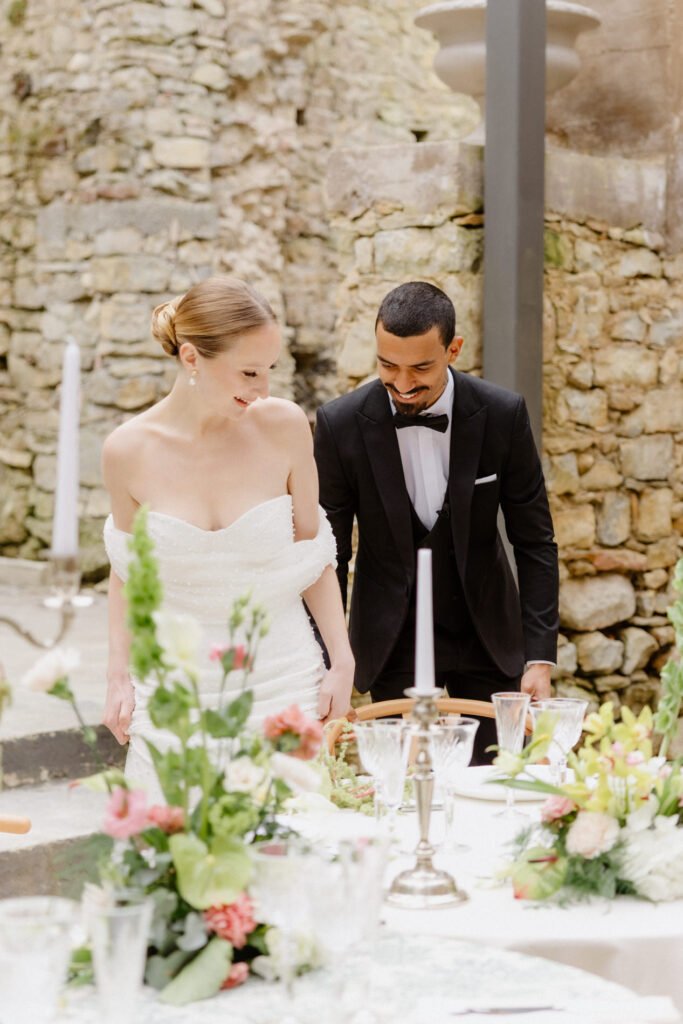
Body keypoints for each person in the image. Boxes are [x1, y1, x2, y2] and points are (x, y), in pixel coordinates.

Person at [102, 276, 354, 787]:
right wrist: (117, 677)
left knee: (292, 854)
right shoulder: (126, 451)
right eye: (248, 372)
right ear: (191, 357)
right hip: (176, 693)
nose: (262, 389)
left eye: (270, 371)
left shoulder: (283, 427)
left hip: (285, 684)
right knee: (174, 860)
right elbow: (128, 574)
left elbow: (313, 557)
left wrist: (342, 659)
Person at [313, 281, 559, 763]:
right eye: (388, 365)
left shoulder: (503, 415)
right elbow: (329, 556)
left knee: (496, 781)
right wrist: (329, 662)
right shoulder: (339, 424)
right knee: (399, 791)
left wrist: (540, 656)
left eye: (421, 367)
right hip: (389, 636)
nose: (403, 384)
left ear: (454, 349)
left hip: (487, 635)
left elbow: (534, 541)